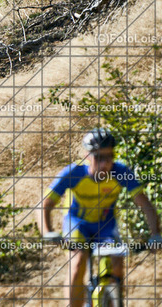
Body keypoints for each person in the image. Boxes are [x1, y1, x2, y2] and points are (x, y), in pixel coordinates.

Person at [39, 128, 161, 307]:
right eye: (99, 157)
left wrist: (155, 234)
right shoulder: (74, 173)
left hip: (106, 225)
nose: (105, 163)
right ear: (88, 156)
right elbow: (45, 204)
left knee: (116, 266)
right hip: (77, 224)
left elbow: (145, 205)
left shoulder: (120, 172)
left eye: (109, 157)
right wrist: (47, 231)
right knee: (78, 262)